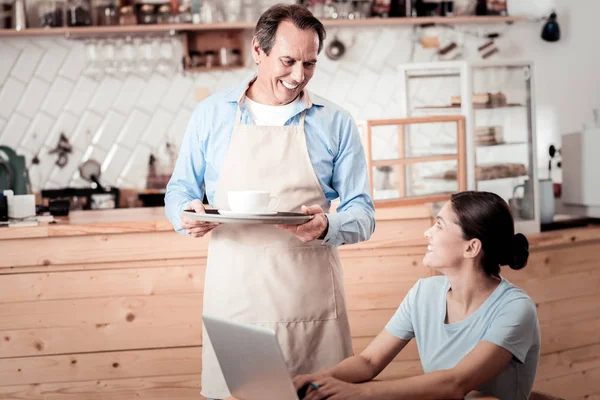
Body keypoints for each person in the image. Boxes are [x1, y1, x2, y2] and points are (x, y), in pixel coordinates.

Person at [164, 4, 375, 399]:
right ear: (257, 52)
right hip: (236, 301)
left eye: (310, 64)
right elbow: (179, 191)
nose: (298, 76)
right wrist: (185, 213)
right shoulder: (211, 115)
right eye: (288, 61)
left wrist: (328, 225)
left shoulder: (336, 122)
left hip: (310, 302)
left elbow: (363, 212)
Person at [294, 191, 540, 400]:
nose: (428, 232)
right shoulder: (425, 293)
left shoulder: (515, 309)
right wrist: (317, 379)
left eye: (440, 225)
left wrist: (360, 393)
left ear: (471, 247)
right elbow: (369, 361)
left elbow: (457, 382)